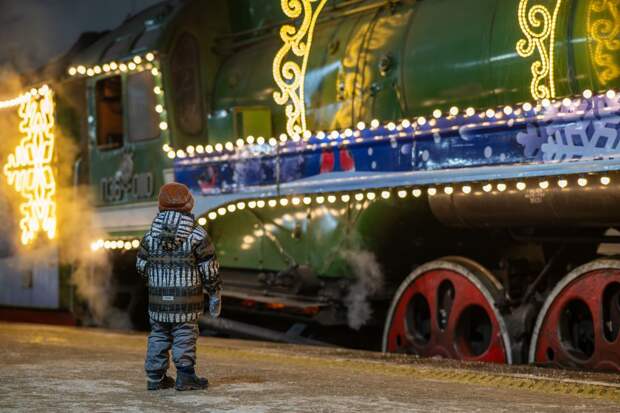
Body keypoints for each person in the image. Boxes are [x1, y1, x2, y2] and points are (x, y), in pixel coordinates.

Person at [136, 182, 222, 391]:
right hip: (187, 298)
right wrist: (213, 292)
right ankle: (185, 377)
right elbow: (209, 269)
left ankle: (155, 378)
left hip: (157, 298)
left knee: (159, 333)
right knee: (184, 332)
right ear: (189, 204)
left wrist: (156, 281)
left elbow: (140, 265)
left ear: (160, 206)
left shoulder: (150, 235)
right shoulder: (197, 235)